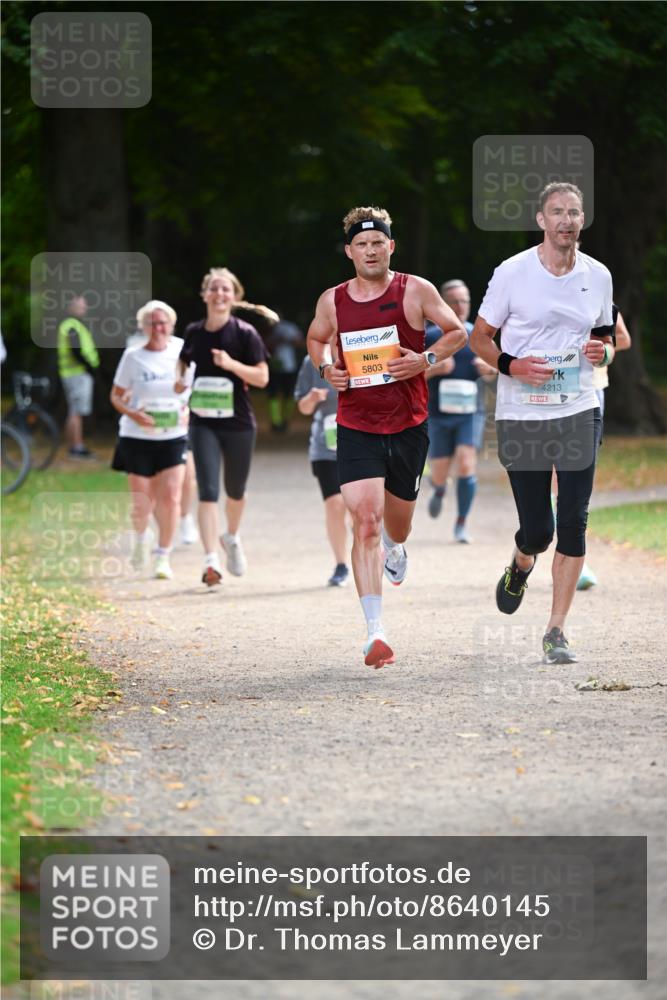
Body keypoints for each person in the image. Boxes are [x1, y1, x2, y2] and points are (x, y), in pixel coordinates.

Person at [307, 206, 466, 669]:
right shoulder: (333, 300)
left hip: (408, 424)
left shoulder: (415, 290)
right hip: (356, 425)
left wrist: (425, 359)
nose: (371, 250)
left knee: (396, 527)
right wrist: (326, 369)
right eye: (362, 244)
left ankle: (396, 548)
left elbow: (456, 332)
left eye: (378, 242)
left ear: (391, 246)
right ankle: (375, 632)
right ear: (349, 252)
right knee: (366, 523)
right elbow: (316, 340)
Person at [470, 182, 614, 665]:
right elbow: (479, 337)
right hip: (522, 413)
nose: (566, 220)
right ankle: (521, 560)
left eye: (574, 212)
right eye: (557, 212)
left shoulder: (598, 275)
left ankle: (556, 631)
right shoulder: (512, 272)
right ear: (541, 220)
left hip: (579, 406)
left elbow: (607, 339)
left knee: (574, 520)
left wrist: (603, 352)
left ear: (582, 219)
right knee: (538, 530)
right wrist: (511, 365)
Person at [175, 267, 271, 586]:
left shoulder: (245, 333)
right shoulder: (194, 332)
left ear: (235, 296)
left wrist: (231, 364)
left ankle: (230, 536)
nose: (219, 294)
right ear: (204, 295)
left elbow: (262, 377)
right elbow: (183, 362)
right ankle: (210, 561)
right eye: (214, 288)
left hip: (238, 423)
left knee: (235, 492)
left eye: (225, 289)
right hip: (203, 422)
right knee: (208, 491)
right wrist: (179, 379)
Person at [110, 300, 190, 580]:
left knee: (171, 496)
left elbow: (193, 387)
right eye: (151, 323)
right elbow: (116, 396)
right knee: (142, 500)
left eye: (162, 323)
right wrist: (133, 414)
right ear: (143, 327)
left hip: (173, 435)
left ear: (171, 325)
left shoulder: (183, 351)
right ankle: (142, 538)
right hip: (137, 436)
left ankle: (163, 555)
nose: (157, 328)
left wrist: (188, 409)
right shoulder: (133, 356)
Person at [424, 279, 496, 542]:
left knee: (466, 463)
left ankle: (461, 523)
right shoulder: (430, 337)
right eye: (454, 301)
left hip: (470, 412)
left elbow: (498, 369)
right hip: (437, 414)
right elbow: (409, 376)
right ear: (443, 304)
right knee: (439, 471)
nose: (461, 306)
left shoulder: (478, 337)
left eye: (465, 300)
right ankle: (439, 488)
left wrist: (490, 371)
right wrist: (435, 369)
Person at [576, 305, 632, 589]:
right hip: (549, 390)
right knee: (552, 476)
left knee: (577, 475)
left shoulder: (601, 301)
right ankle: (536, 535)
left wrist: (599, 351)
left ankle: (576, 559)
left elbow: (623, 339)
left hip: (592, 389)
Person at [294, 354, 350, 587]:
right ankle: (341, 564)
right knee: (335, 505)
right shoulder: (313, 361)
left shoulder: (361, 351)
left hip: (361, 444)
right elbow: (303, 407)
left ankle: (370, 553)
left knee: (360, 509)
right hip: (325, 447)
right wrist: (312, 398)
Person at [57, 295, 100, 458]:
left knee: (73, 411)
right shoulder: (72, 325)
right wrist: (89, 367)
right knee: (77, 412)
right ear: (70, 306)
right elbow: (76, 350)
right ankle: (77, 446)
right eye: (80, 306)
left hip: (72, 373)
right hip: (77, 373)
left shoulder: (71, 324)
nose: (84, 309)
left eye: (84, 306)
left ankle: (73, 446)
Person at [267, 316, 304, 432]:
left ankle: (285, 420)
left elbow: (301, 342)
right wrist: (275, 342)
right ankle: (275, 421)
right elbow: (264, 343)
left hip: (289, 366)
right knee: (273, 394)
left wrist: (288, 340)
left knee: (289, 394)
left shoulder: (290, 327)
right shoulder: (269, 327)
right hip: (274, 366)